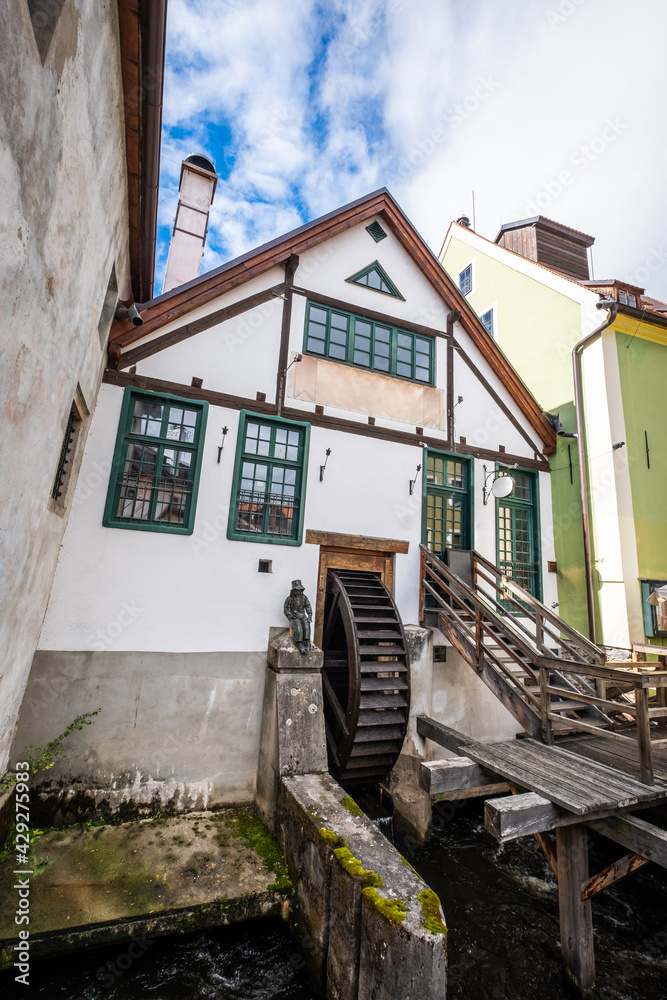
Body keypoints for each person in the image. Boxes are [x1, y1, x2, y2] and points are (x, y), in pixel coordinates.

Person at [284, 580, 312, 654]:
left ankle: (307, 641)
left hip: (302, 615)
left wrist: (309, 615)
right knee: (298, 626)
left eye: (300, 590)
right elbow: (286, 608)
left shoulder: (304, 598)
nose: (298, 592)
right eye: (296, 590)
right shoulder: (289, 599)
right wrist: (290, 615)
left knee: (306, 625)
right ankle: (299, 643)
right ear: (293, 590)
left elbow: (308, 606)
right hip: (294, 617)